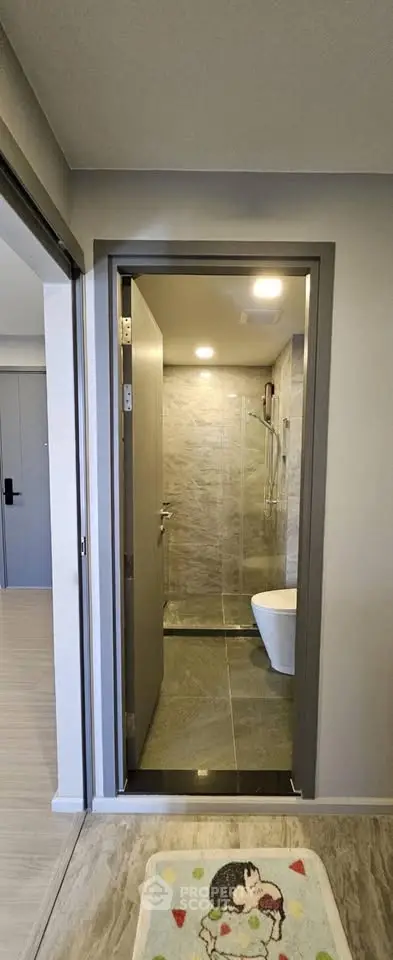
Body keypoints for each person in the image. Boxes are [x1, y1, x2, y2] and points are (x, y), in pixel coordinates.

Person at [199, 861, 285, 960]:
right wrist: (211, 946)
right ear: (237, 894)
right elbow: (205, 933)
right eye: (253, 886)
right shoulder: (222, 916)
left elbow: (274, 937)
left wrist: (277, 921)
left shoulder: (261, 916)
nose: (260, 888)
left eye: (259, 882)